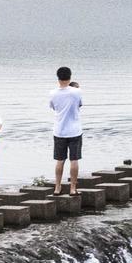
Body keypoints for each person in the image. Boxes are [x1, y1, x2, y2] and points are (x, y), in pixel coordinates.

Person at [49, 65, 83, 197]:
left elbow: (53, 107)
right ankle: (73, 189)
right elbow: (80, 104)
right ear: (70, 77)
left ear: (58, 78)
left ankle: (57, 188)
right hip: (75, 130)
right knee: (74, 160)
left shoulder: (52, 93)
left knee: (60, 160)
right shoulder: (77, 92)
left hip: (59, 131)